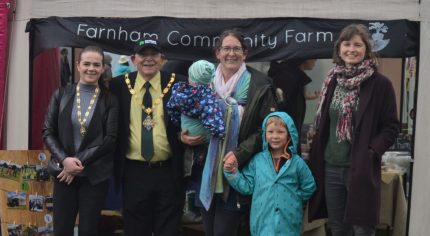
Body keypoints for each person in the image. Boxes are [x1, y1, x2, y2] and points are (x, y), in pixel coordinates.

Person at [181, 28, 277, 236]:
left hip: (237, 169)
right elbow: (188, 115)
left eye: (236, 49)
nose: (231, 53)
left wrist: (239, 153)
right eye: (226, 48)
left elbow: (267, 130)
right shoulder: (203, 80)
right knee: (208, 230)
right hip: (204, 167)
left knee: (225, 231)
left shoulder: (259, 85)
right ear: (217, 53)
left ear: (245, 54)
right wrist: (184, 136)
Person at [307, 24, 400, 236]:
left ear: (367, 50)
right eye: (347, 44)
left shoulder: (380, 84)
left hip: (360, 167)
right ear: (339, 49)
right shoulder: (332, 80)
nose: (352, 49)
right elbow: (324, 122)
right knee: (338, 227)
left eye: (358, 45)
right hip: (330, 167)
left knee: (362, 228)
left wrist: (371, 150)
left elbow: (391, 126)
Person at [109, 38, 187, 236]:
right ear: (134, 59)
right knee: (135, 229)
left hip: (169, 171)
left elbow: (194, 117)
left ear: (163, 59)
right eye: (143, 55)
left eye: (154, 54)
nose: (149, 59)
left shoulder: (178, 83)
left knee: (168, 229)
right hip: (134, 172)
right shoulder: (118, 86)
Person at [43, 45, 119, 236]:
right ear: (78, 65)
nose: (91, 69)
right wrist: (65, 161)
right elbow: (48, 132)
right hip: (64, 174)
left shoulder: (110, 100)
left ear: (102, 68)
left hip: (94, 177)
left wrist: (76, 162)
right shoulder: (60, 94)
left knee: (87, 230)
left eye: (96, 64)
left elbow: (110, 139)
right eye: (86, 64)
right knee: (61, 229)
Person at [223, 111, 316, 236]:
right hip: (262, 222)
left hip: (289, 223)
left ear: (289, 134)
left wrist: (294, 198)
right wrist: (232, 173)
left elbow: (309, 186)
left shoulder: (297, 163)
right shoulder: (257, 161)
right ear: (264, 134)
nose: (275, 136)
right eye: (270, 132)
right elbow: (247, 187)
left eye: (280, 132)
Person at [268, 58, 320, 155]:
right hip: (284, 143)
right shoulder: (287, 77)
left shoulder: (293, 77)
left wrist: (302, 96)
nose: (316, 60)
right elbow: (280, 106)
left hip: (288, 139)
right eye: (313, 57)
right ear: (303, 57)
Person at [167, 59, 225, 141]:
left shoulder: (179, 91)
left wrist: (177, 121)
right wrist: (221, 134)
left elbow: (171, 108)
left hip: (185, 131)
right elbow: (213, 119)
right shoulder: (208, 96)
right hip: (202, 139)